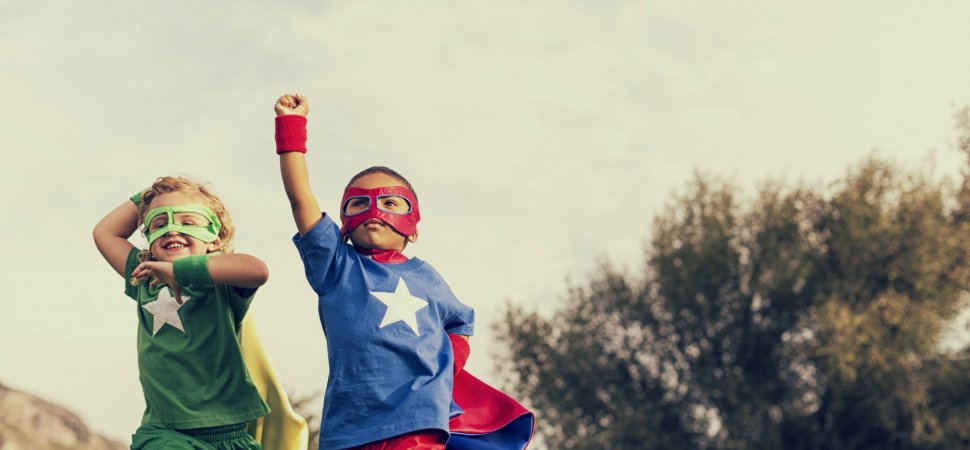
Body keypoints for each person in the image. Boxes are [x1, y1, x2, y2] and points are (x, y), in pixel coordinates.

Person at [274, 94, 534, 450]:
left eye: (390, 202)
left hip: (417, 422)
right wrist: (291, 126)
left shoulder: (428, 277)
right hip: (348, 427)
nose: (374, 211)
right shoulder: (336, 265)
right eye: (359, 203)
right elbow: (301, 199)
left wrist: (445, 370)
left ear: (413, 228)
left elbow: (460, 323)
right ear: (345, 223)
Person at [93, 176, 271, 450]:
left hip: (229, 433)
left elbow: (258, 271)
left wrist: (180, 270)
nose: (172, 230)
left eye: (187, 222)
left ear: (215, 239)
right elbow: (105, 233)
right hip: (165, 432)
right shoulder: (144, 277)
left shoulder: (222, 282)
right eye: (159, 224)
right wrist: (150, 195)